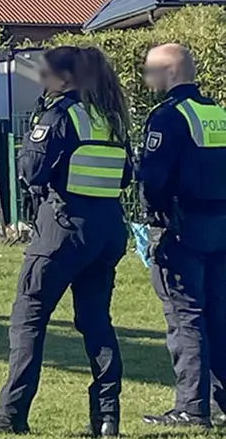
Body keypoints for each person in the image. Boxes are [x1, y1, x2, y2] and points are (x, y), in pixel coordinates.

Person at [0, 46, 131, 436]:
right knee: (96, 323)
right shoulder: (110, 118)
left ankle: (11, 412)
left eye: (47, 74)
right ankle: (107, 417)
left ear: (65, 77)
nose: (42, 80)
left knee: (28, 319)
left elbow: (31, 170)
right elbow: (125, 177)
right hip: (106, 230)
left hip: (60, 232)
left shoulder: (59, 115)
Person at [137, 41, 226, 429]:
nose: (147, 78)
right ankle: (220, 404)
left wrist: (151, 216)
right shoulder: (218, 113)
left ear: (169, 72)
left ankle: (191, 406)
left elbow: (153, 179)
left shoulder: (167, 117)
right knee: (218, 316)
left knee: (185, 315)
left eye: (150, 70)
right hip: (221, 226)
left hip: (182, 227)